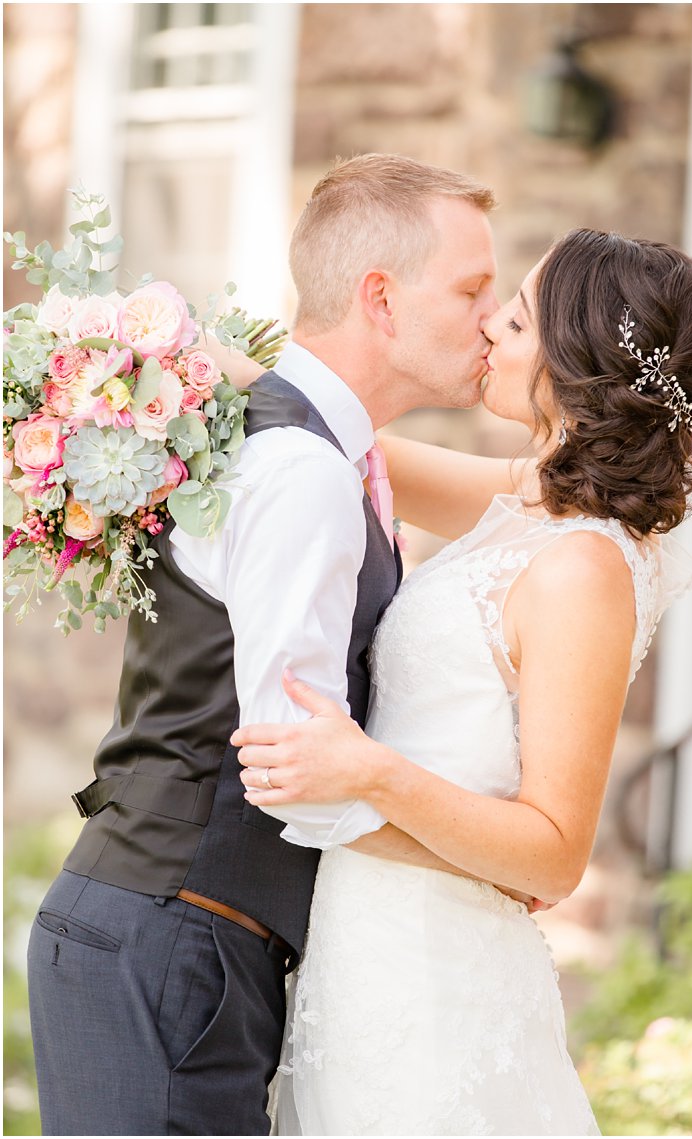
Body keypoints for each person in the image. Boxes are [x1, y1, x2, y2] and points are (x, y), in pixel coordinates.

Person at [26, 153, 502, 1135]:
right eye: (469, 288)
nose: (489, 318)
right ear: (379, 297)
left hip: (178, 935)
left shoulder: (324, 450)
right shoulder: (302, 472)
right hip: (170, 940)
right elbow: (296, 761)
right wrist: (480, 864)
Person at [231, 228, 692, 1134]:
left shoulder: (585, 567)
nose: (491, 328)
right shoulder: (533, 502)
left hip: (439, 973)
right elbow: (349, 437)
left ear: (578, 359)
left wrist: (368, 771)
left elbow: (554, 852)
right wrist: (162, 358)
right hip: (368, 943)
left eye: (520, 317)